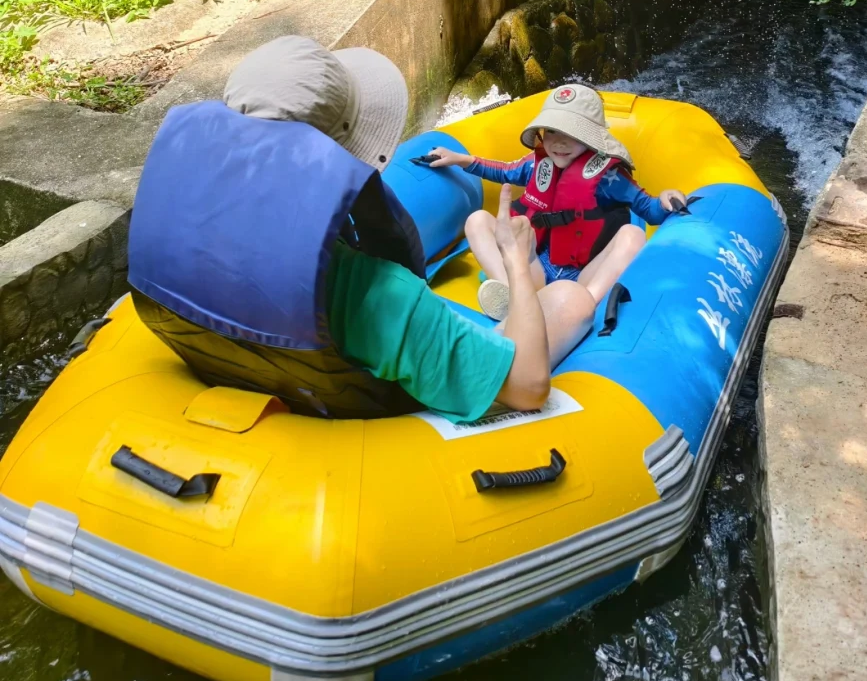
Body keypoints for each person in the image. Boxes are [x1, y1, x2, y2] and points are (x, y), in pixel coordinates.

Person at [129, 36, 596, 424]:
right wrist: (516, 261)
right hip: (362, 406)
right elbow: (529, 386)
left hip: (257, 370)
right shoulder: (376, 294)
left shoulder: (176, 242)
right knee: (569, 300)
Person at [427, 82, 686, 320]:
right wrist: (460, 159)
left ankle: (578, 311)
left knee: (632, 234)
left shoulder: (609, 176)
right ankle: (512, 296)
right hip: (535, 267)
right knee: (477, 220)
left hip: (582, 278)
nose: (558, 142)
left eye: (572, 133)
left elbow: (647, 208)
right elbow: (502, 170)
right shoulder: (536, 164)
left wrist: (664, 200)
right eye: (551, 131)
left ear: (591, 138)